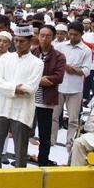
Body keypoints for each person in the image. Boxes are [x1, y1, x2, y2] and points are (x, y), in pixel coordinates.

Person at [0, 26, 44, 168]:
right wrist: (15, 88)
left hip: (22, 111)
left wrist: (8, 87)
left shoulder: (37, 63)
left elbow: (30, 88)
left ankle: (19, 179)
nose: (18, 44)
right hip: (2, 108)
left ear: (31, 41)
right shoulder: (5, 58)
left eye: (22, 41)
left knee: (20, 150)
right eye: (16, 41)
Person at [51, 22, 92, 152]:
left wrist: (72, 69)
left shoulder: (86, 50)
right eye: (71, 34)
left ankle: (70, 144)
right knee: (54, 116)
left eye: (76, 35)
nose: (73, 37)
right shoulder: (60, 46)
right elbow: (53, 64)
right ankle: (51, 140)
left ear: (81, 34)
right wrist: (63, 67)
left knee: (73, 119)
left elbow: (86, 71)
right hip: (58, 86)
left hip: (75, 88)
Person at [31, 25, 66, 166]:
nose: (44, 39)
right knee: (24, 130)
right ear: (38, 36)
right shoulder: (32, 52)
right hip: (29, 98)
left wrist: (47, 79)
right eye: (42, 35)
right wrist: (39, 79)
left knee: (45, 134)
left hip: (46, 99)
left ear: (53, 37)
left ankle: (43, 160)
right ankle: (20, 158)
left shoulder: (59, 56)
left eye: (48, 36)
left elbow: (59, 77)